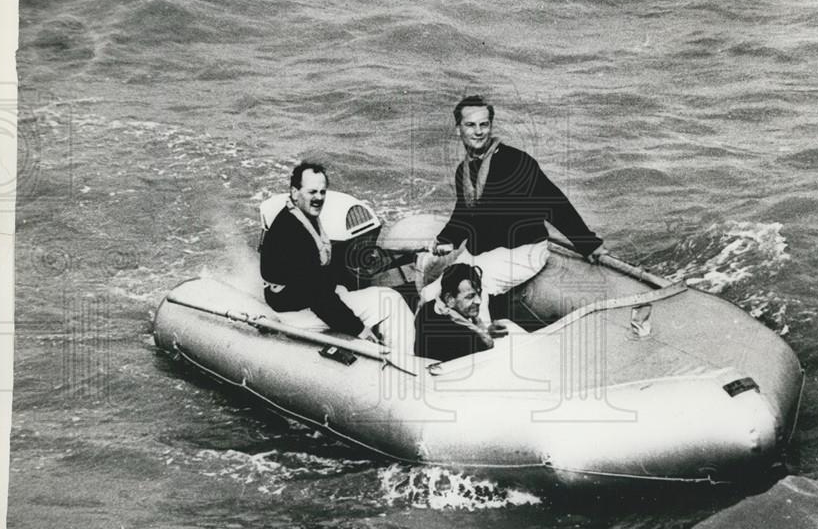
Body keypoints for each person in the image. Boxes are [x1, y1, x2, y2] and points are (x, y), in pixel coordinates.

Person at [420, 95, 607, 321]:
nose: (478, 132)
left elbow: (554, 203)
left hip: (523, 251)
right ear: (458, 129)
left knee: (477, 290)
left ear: (491, 126)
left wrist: (588, 244)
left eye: (484, 124)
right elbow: (464, 215)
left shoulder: (516, 162)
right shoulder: (464, 170)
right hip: (483, 254)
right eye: (470, 125)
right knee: (428, 294)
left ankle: (483, 350)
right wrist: (446, 238)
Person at [260, 161, 415, 352]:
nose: (318, 198)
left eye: (322, 192)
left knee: (342, 289)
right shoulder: (294, 233)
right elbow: (319, 299)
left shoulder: (293, 216)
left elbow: (313, 276)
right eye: (312, 192)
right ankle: (404, 362)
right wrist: (360, 329)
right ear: (294, 192)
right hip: (297, 313)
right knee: (391, 300)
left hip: (290, 301)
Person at [414, 263, 507, 362]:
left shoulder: (428, 307)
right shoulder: (463, 337)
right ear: (449, 299)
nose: (478, 301)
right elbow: (485, 350)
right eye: (470, 296)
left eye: (479, 294)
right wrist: (484, 336)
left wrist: (487, 331)